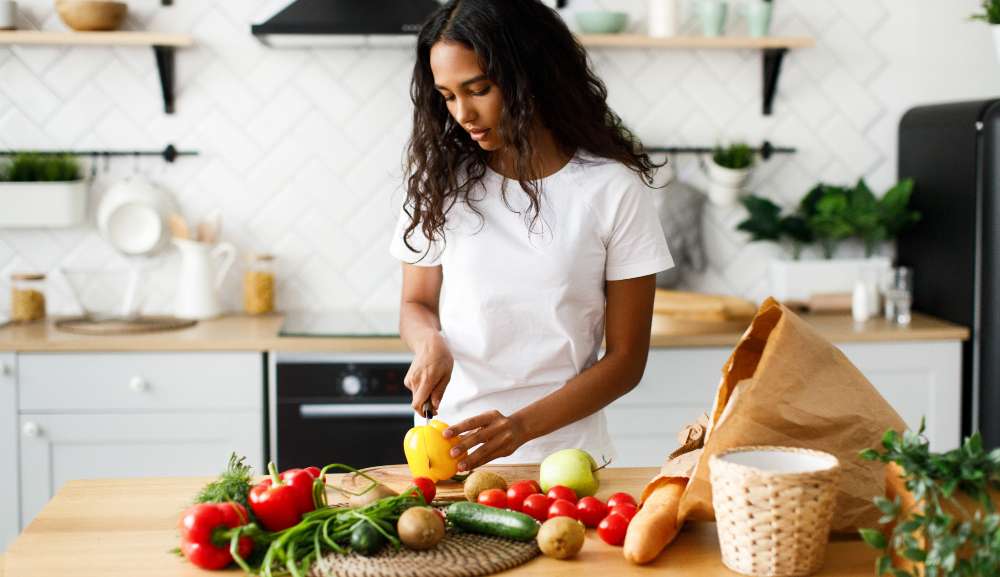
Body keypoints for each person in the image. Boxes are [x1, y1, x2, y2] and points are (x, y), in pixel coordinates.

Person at [389, 0, 673, 472]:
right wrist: (429, 342)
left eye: (478, 89)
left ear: (532, 76)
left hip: (564, 459)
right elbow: (415, 303)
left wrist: (518, 428)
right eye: (447, 95)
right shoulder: (441, 183)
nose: (463, 113)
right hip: (451, 456)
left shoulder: (611, 189)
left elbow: (626, 360)